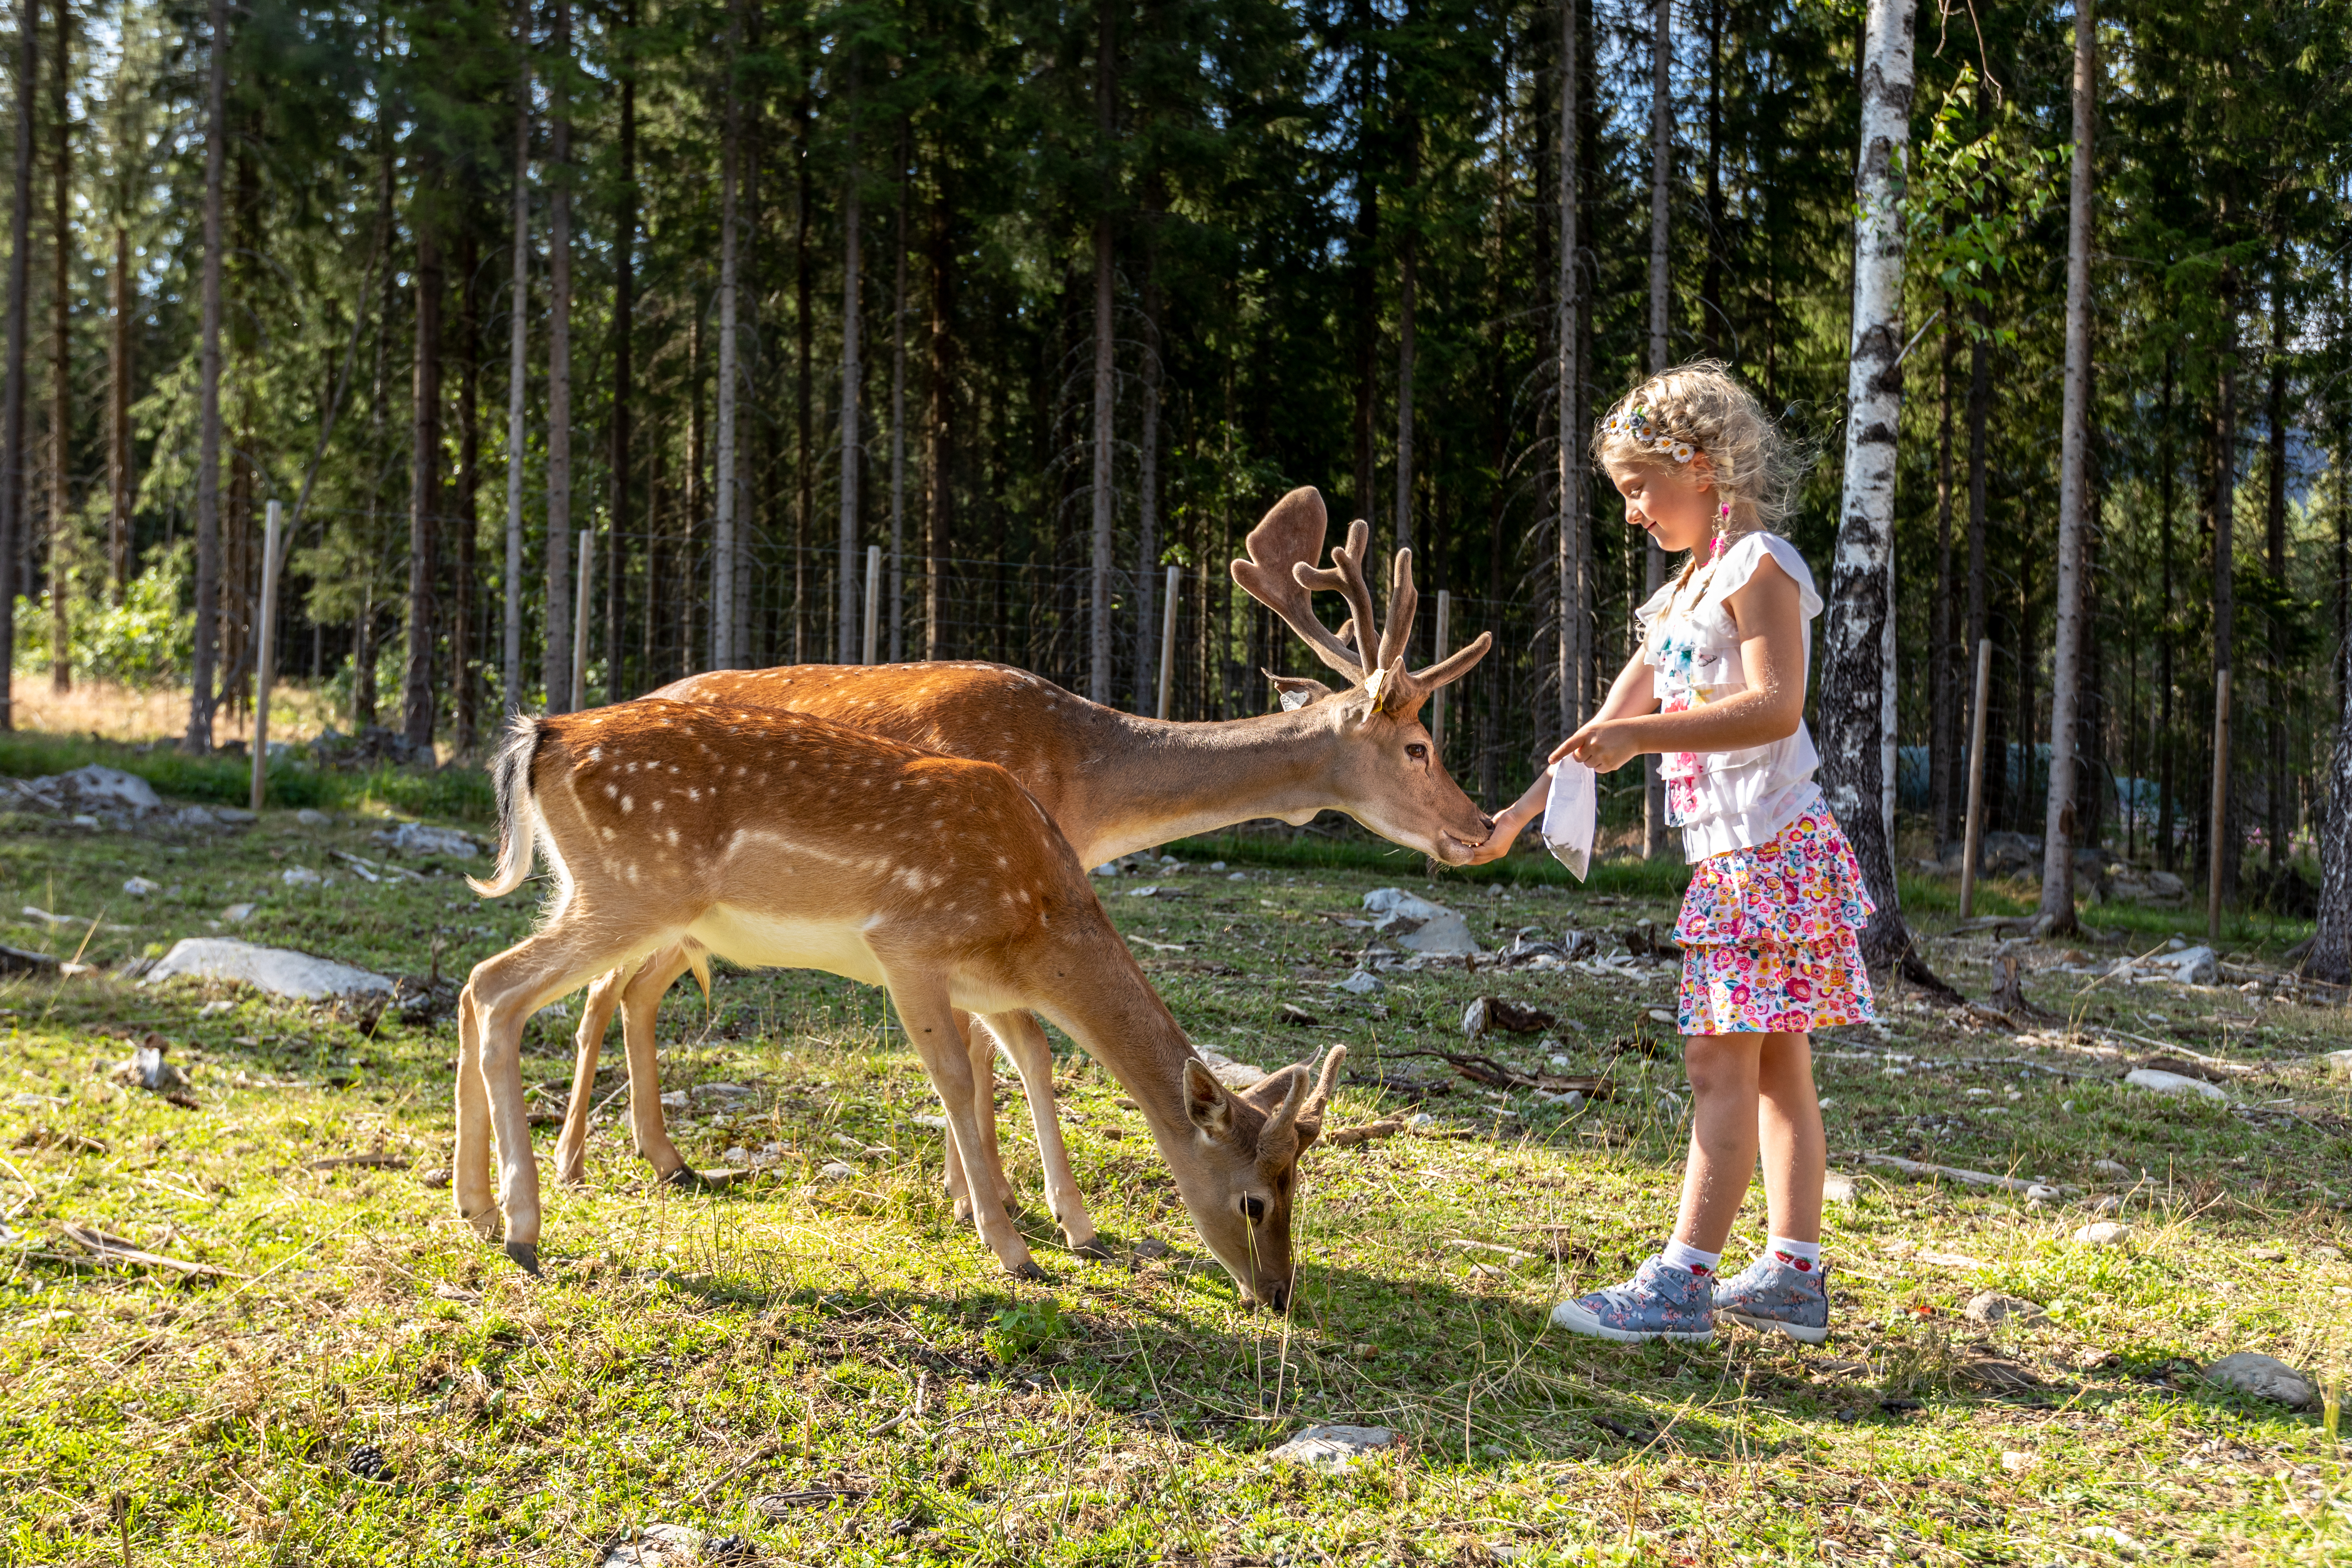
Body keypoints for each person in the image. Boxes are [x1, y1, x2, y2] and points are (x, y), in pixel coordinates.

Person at [1478, 360, 1874, 1344]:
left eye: (1639, 489)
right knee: (1777, 1065)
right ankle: (1793, 1273)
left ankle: (1684, 1283)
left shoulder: (1760, 567)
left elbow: (1776, 705)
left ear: (1699, 467)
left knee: (1717, 1063)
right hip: (1739, 863)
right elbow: (1605, 727)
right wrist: (1518, 818)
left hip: (1770, 857)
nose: (1632, 514)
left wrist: (1645, 739)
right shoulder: (1678, 599)